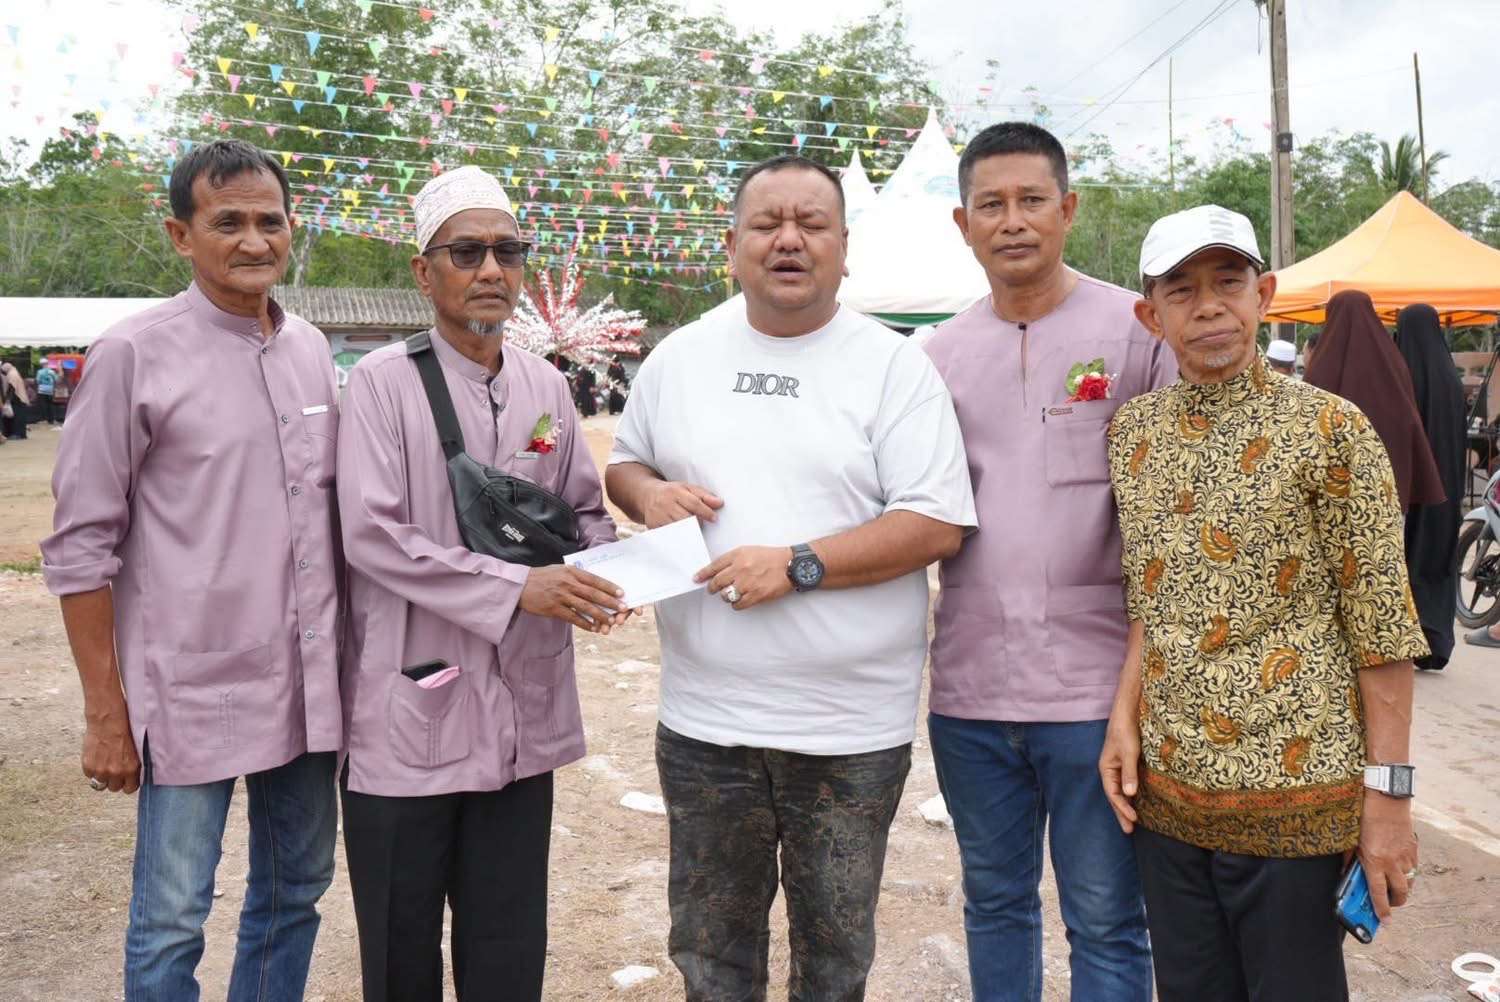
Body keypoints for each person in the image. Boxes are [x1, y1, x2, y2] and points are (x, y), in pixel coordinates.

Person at [605, 154, 976, 1001]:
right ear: (731, 246)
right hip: (705, 721)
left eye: (812, 223)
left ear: (845, 248)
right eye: (767, 223)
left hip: (849, 730)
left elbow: (937, 523)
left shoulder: (894, 367)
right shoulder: (681, 357)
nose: (789, 240)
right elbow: (625, 464)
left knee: (835, 961)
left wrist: (799, 565)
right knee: (711, 954)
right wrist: (649, 493)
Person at [40, 138, 343, 1001]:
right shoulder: (133, 354)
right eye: (228, 222)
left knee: (296, 891)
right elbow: (79, 549)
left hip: (306, 684)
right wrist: (105, 712)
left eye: (270, 221)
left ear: (291, 229)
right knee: (172, 916)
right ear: (181, 235)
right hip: (192, 690)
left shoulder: (311, 349)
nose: (253, 240)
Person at [1101, 204, 1427, 1002]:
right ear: (1150, 316)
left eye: (1228, 281)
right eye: (1182, 290)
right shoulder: (1134, 434)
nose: (1209, 306)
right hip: (1169, 804)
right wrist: (1122, 716)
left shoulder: (1331, 428)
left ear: (1265, 294)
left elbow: (1383, 631)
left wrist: (1389, 801)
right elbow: (1151, 595)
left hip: (1298, 804)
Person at [335, 165, 625, 1002]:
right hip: (412, 710)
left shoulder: (545, 385)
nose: (491, 269)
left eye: (508, 251)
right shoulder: (382, 383)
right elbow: (373, 534)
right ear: (424, 273)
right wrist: (514, 589)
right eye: (467, 252)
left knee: (507, 948)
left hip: (520, 713)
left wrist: (606, 573)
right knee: (401, 954)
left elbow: (580, 509)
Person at [922, 121, 1165, 1002]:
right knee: (994, 904)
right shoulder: (934, 358)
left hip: (1098, 695)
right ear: (963, 224)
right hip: (971, 691)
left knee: (1106, 917)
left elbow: (1175, 515)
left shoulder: (1137, 334)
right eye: (991, 204)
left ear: (1069, 209)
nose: (1013, 220)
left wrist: (1138, 693)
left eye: (1032, 200)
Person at [1391, 305, 1486, 655]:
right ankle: (1435, 641)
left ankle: (1408, 642)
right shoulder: (1448, 375)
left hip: (1413, 489)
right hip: (1447, 489)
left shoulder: (1402, 375)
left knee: (1408, 559)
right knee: (1436, 560)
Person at [1303, 291, 1445, 513]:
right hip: (1387, 486)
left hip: (1333, 490)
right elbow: (1408, 419)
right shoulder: (1394, 363)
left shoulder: (1322, 366)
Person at [1, 359, 29, 440]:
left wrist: (8, 400)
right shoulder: (14, 372)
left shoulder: (12, 374)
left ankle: (17, 434)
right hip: (20, 398)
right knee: (20, 417)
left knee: (17, 418)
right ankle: (22, 434)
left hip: (17, 398)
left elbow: (12, 388)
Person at [35, 361, 58, 425]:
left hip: (42, 389)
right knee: (50, 404)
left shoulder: (39, 372)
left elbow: (38, 380)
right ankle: (52, 419)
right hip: (50, 389)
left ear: (42, 365)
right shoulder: (52, 371)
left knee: (43, 405)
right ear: (47, 364)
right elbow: (56, 379)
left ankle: (44, 420)